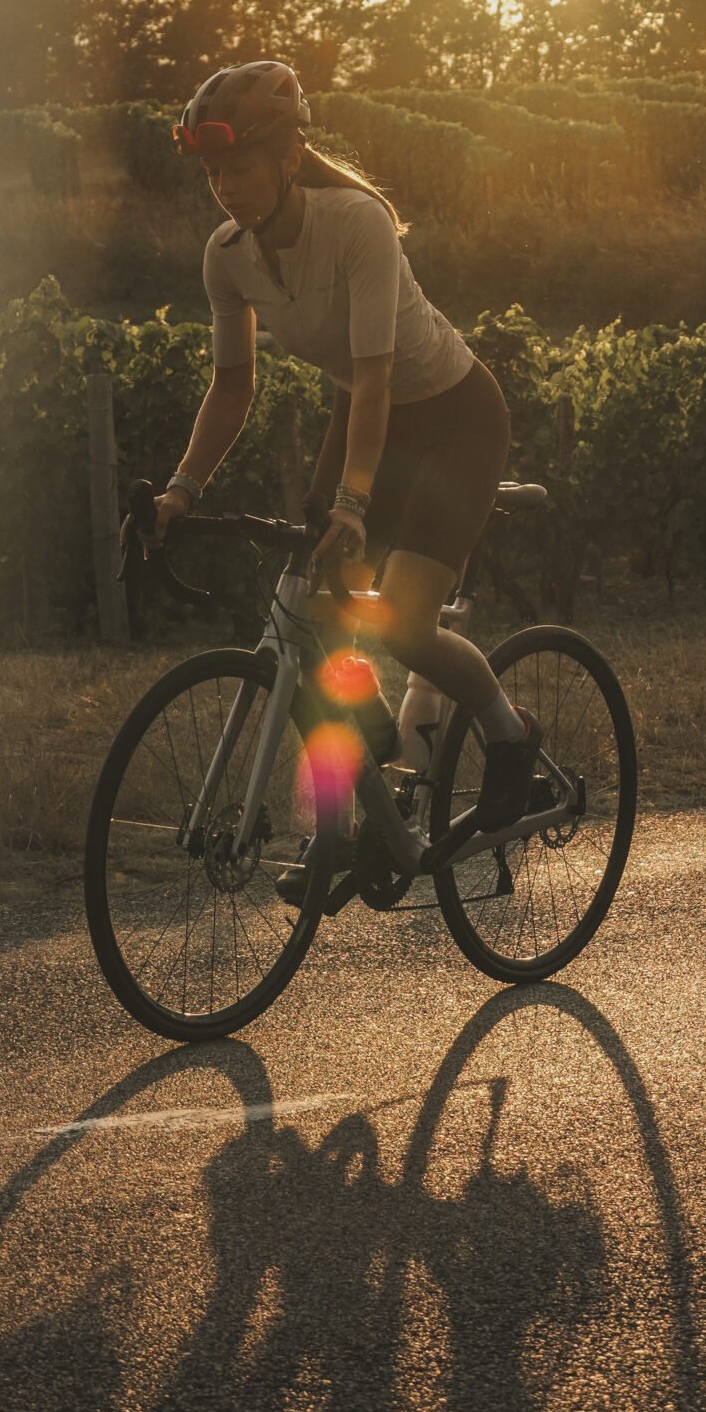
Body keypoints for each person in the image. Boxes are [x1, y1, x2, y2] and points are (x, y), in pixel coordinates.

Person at [152, 58, 542, 839]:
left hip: (452, 419)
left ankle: (511, 736)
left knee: (401, 624)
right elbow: (233, 389)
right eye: (213, 173)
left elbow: (374, 378)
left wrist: (353, 505)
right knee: (311, 614)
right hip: (364, 417)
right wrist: (180, 490)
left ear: (289, 157)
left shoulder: (354, 220)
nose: (226, 187)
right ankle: (363, 797)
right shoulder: (225, 257)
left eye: (241, 166)